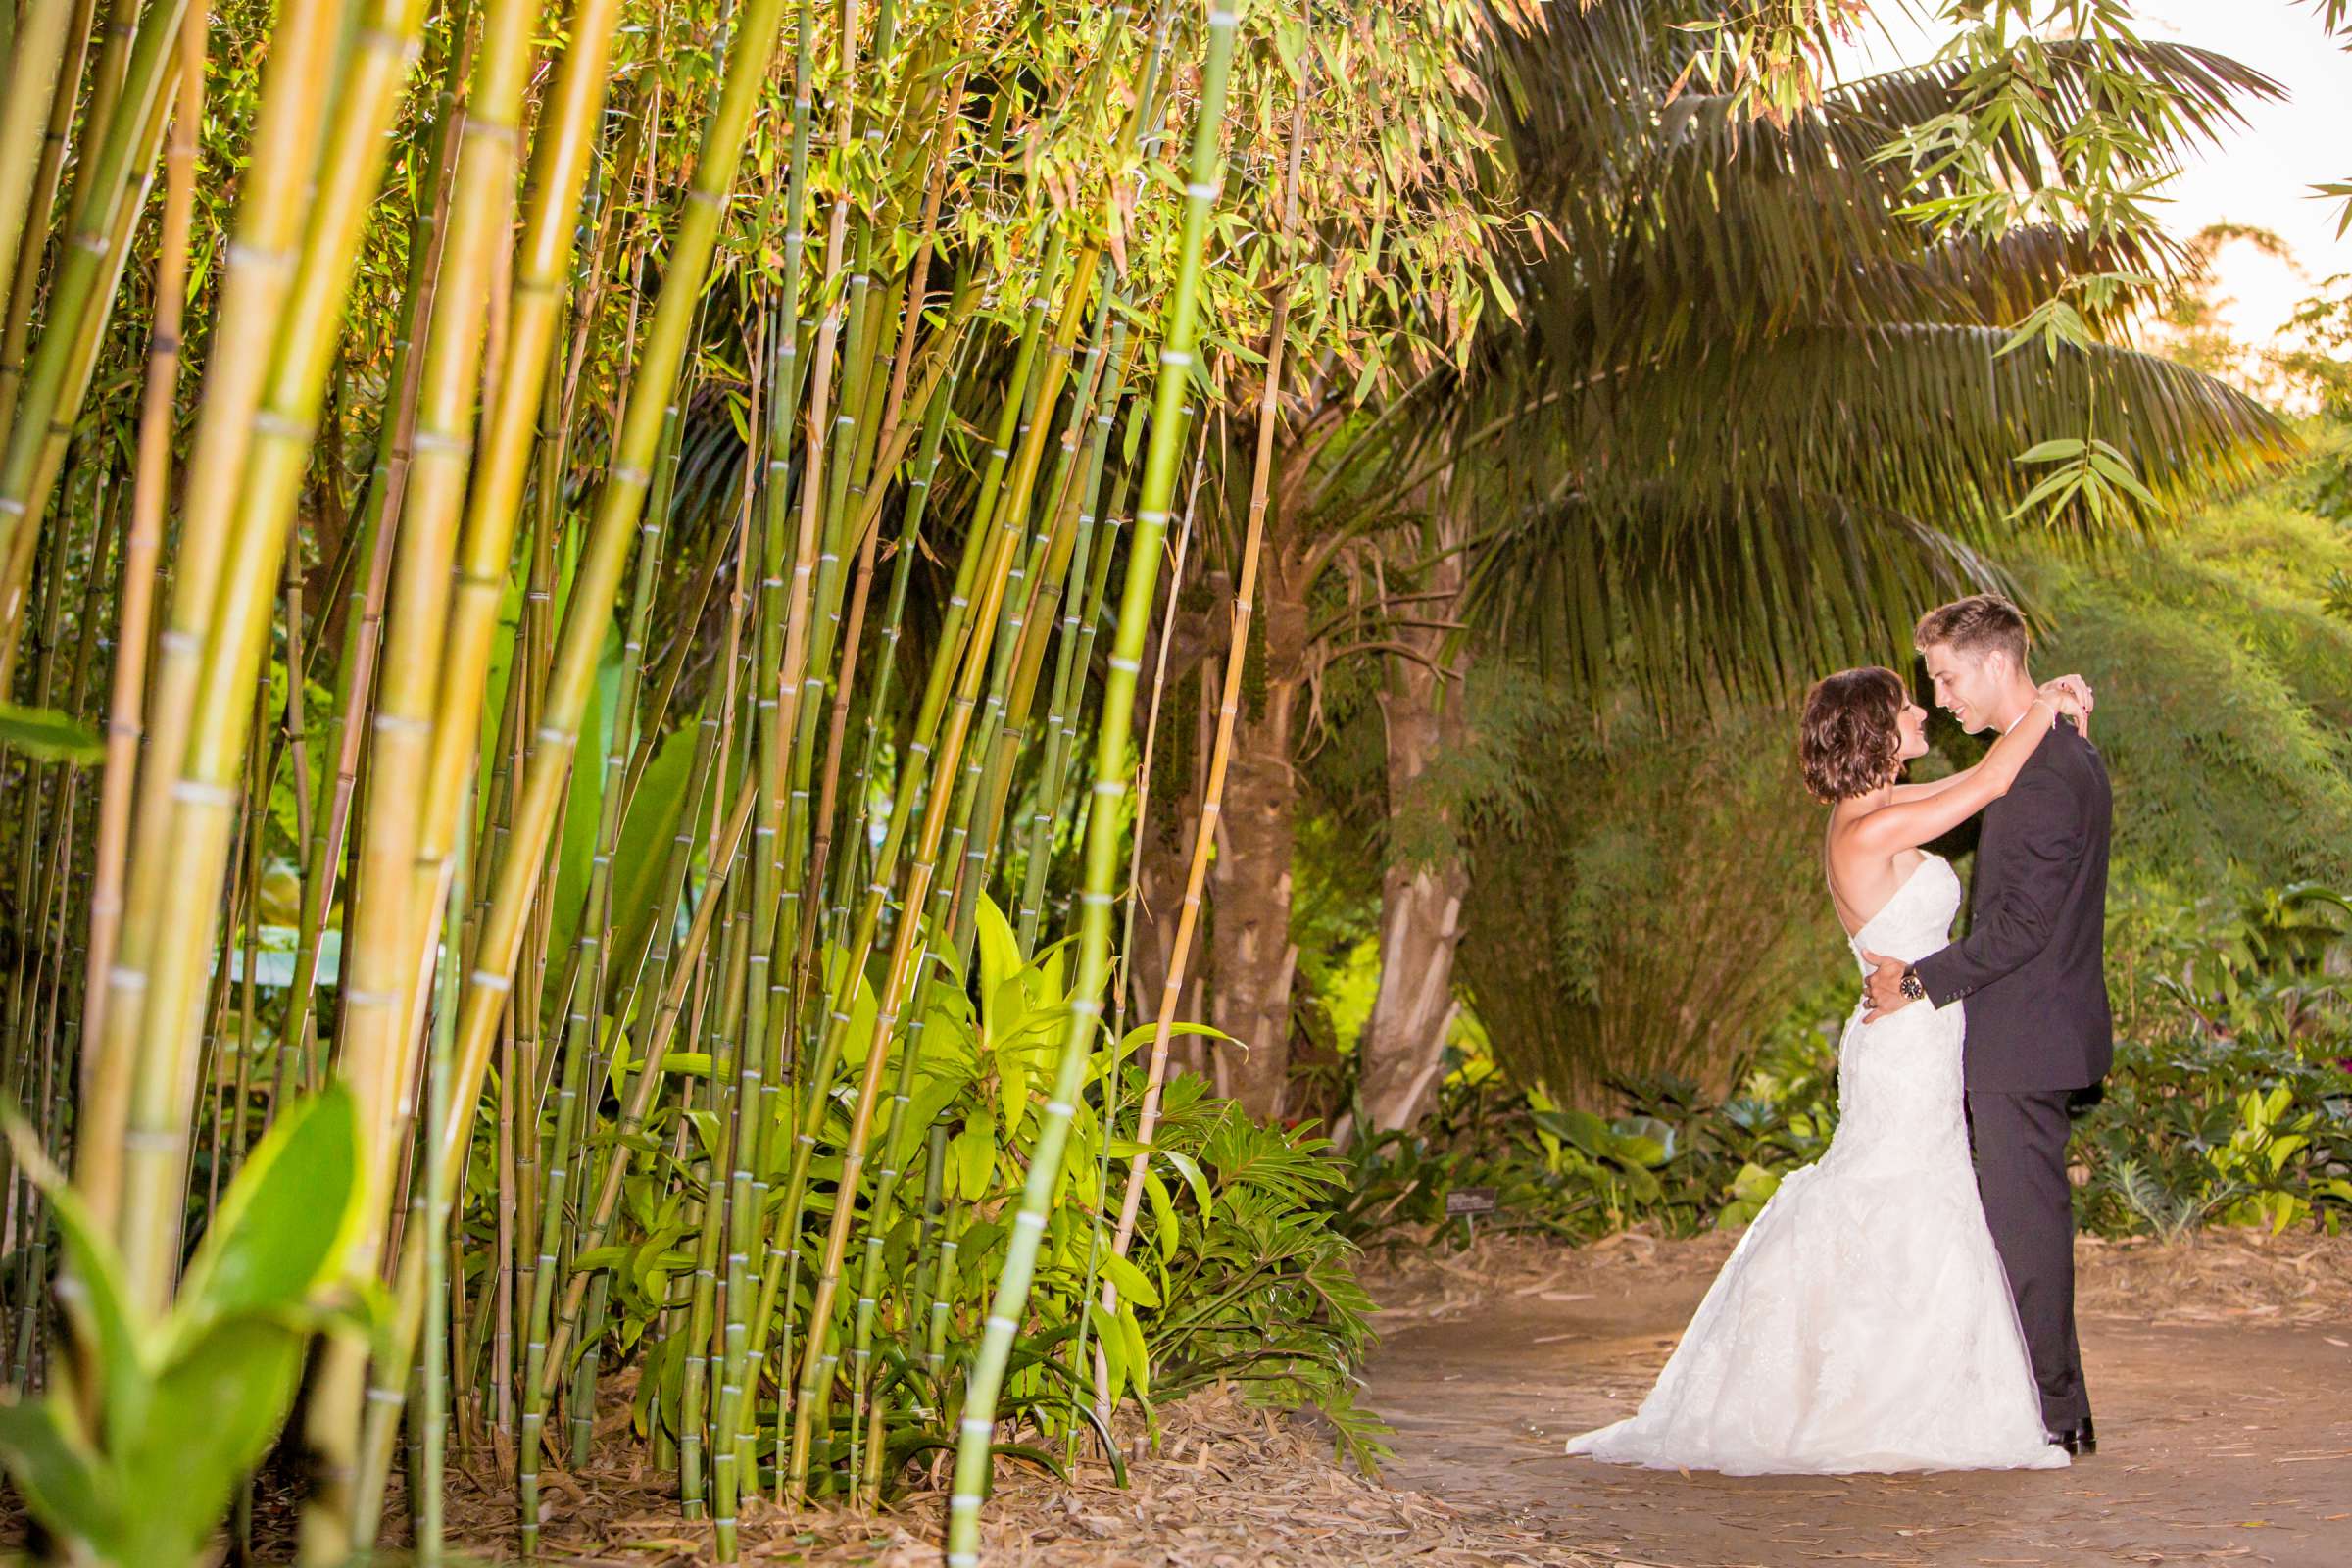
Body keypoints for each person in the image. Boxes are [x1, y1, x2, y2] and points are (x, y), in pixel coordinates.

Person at [1564, 644, 2093, 1474]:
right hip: (1905, 1040)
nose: (1924, 711)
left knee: (1918, 1199)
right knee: (1900, 1201)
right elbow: (1990, 785)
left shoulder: (1881, 804)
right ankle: (1878, 1390)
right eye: (1908, 707)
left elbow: (1976, 780)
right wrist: (2047, 706)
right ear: (1878, 730)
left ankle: (1927, 1376)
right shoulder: (1872, 824)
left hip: (1915, 1023)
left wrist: (2046, 697)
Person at [1859, 594, 2111, 1458]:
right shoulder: (2047, 750)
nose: (1943, 695)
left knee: (2025, 1225)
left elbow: (2023, 928)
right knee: (2019, 1218)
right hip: (2034, 1028)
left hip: (2023, 1035)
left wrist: (1920, 982)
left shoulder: (2041, 770)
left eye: (1948, 675)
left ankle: (2052, 1412)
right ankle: (2047, 1402)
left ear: (1997, 663)